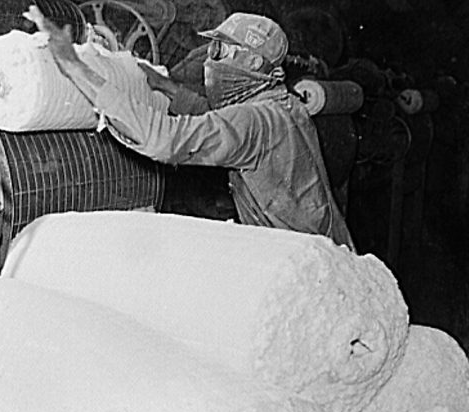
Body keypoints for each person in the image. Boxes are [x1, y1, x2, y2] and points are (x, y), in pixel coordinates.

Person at [24, 6, 355, 249]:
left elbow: (163, 140)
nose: (210, 60)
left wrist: (75, 68)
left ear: (253, 63)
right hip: (325, 248)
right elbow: (219, 121)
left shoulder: (257, 122)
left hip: (307, 264)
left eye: (220, 50)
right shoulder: (283, 106)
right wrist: (167, 88)